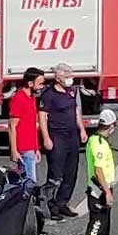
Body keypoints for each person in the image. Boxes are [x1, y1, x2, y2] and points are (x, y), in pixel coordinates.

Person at [38, 64, 87, 220]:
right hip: (57, 137)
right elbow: (42, 117)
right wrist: (46, 138)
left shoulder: (71, 92)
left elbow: (76, 111)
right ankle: (50, 206)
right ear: (58, 78)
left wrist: (82, 129)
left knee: (70, 173)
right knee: (56, 174)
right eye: (67, 76)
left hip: (72, 137)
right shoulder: (49, 95)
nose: (70, 79)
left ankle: (62, 203)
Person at [77, 109, 118, 235]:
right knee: (95, 227)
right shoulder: (98, 144)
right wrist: (107, 192)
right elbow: (98, 170)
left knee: (104, 227)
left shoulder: (99, 140)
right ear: (111, 126)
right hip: (98, 191)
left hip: (103, 188)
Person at [7, 67, 44, 187]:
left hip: (30, 148)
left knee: (29, 181)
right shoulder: (19, 99)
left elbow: (32, 125)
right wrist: (14, 150)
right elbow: (12, 126)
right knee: (29, 183)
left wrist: (36, 148)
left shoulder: (31, 97)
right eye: (40, 83)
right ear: (30, 83)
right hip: (23, 148)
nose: (42, 86)